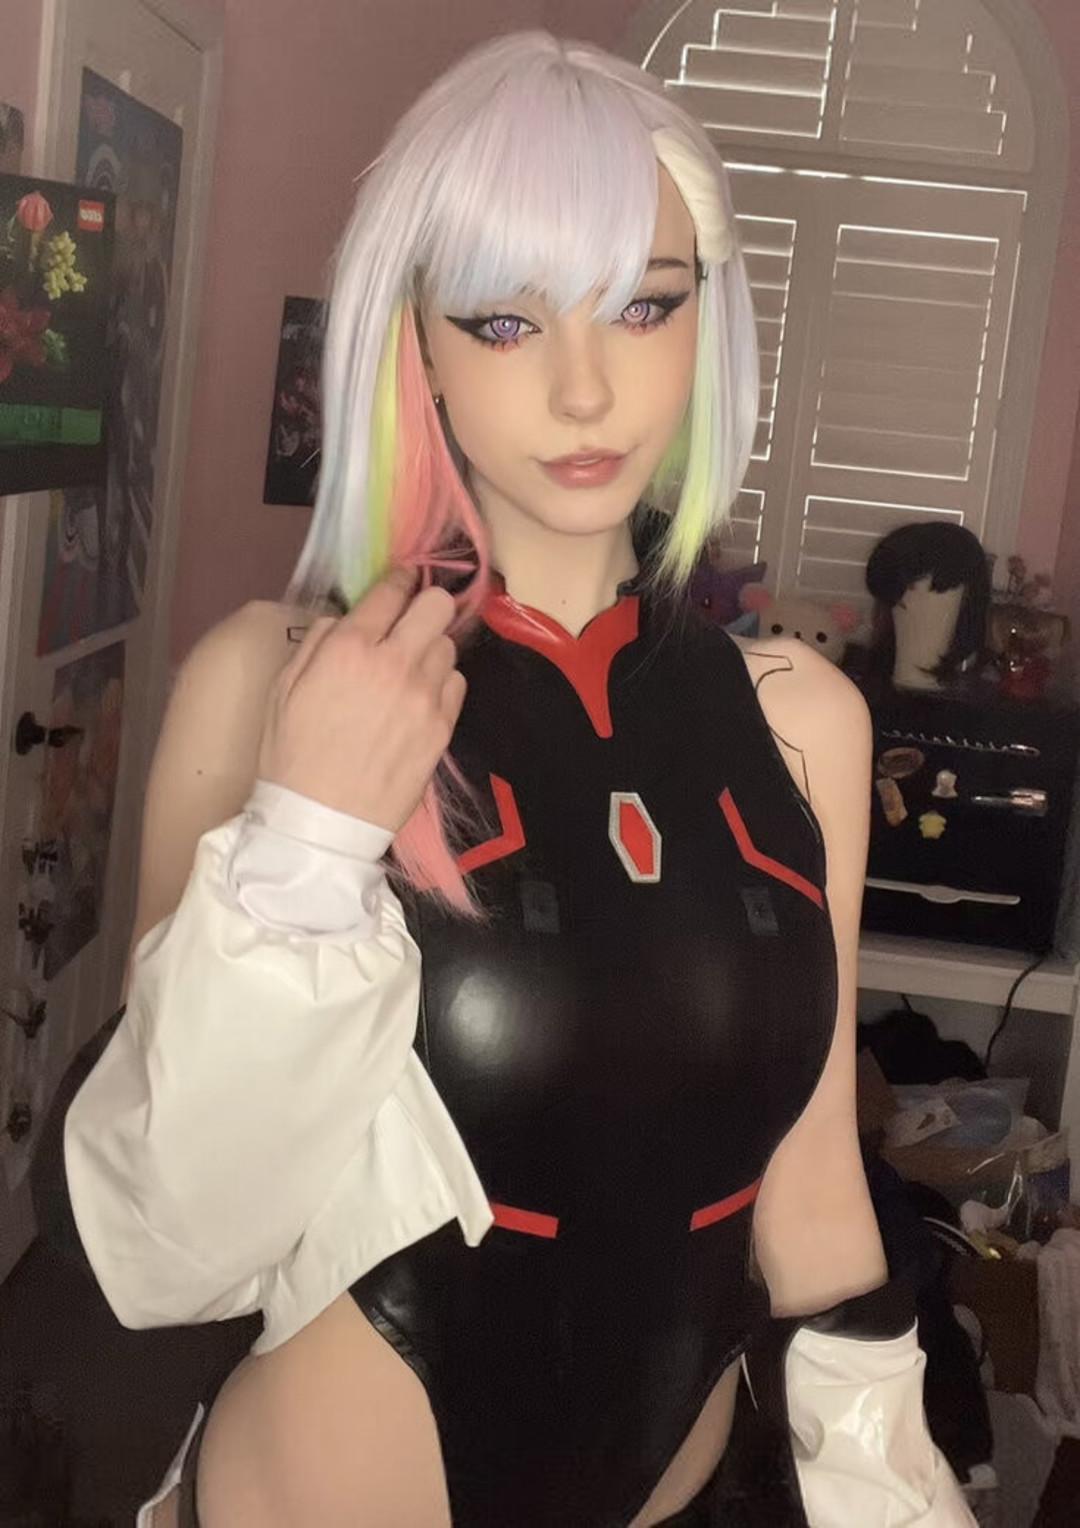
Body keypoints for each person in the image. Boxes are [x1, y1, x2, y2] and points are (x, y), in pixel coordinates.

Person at [63, 32, 976, 1528]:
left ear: (707, 321)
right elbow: (168, 1241)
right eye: (502, 320)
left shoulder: (803, 719)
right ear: (414, 340)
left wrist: (885, 1474)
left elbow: (810, 1190)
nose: (583, 388)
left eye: (644, 305)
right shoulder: (274, 681)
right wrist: (307, 835)